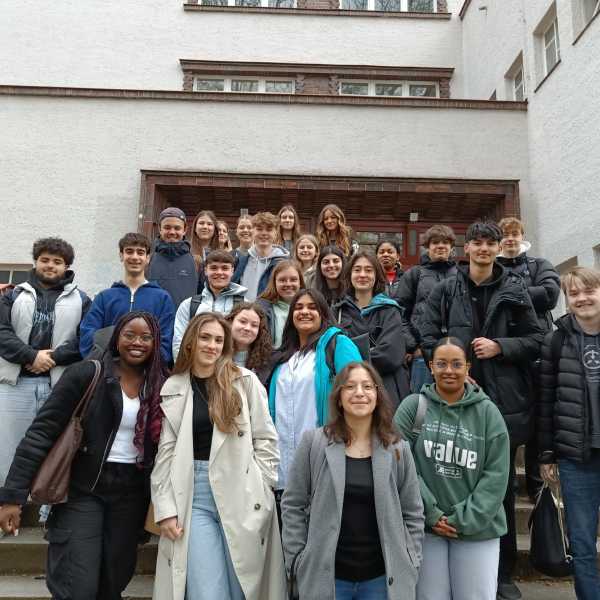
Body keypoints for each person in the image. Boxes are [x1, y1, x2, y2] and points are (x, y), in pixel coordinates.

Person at [0, 311, 170, 600]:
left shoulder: (162, 384)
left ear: (156, 343)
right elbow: (41, 433)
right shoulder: (86, 373)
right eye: (129, 335)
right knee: (75, 582)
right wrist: (12, 496)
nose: (137, 342)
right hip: (83, 487)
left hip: (131, 493)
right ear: (117, 338)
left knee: (113, 577)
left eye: (146, 337)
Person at [420, 220, 543, 600]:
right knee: (451, 473)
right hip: (455, 396)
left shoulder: (515, 288)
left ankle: (502, 574)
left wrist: (501, 347)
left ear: (497, 248)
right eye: (478, 243)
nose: (485, 249)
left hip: (504, 399)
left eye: (491, 243)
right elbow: (427, 335)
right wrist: (452, 369)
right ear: (467, 248)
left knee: (500, 485)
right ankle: (453, 557)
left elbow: (537, 338)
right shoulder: (444, 289)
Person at [151, 312, 285, 600]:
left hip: (242, 490)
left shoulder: (244, 381)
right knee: (207, 592)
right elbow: (166, 452)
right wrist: (165, 508)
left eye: (219, 340)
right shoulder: (174, 386)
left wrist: (263, 485)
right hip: (192, 496)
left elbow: (266, 440)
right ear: (190, 342)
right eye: (205, 338)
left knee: (244, 588)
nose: (212, 345)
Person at [282, 361, 425, 600]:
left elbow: (413, 512)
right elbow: (292, 504)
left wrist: (412, 559)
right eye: (350, 387)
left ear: (378, 396)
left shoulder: (398, 449)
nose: (359, 393)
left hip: (381, 579)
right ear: (338, 398)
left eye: (368, 387)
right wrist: (298, 558)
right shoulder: (314, 443)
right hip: (327, 578)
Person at [394, 336, 510, 600]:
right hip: (425, 528)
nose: (449, 370)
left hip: (478, 530)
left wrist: (464, 519)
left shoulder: (487, 413)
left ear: (468, 367)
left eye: (457, 364)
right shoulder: (415, 407)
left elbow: (496, 474)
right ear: (431, 366)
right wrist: (430, 514)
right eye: (442, 364)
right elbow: (401, 464)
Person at [0, 237, 91, 495]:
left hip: (59, 384)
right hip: (15, 384)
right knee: (7, 448)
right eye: (45, 260)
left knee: (57, 446)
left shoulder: (81, 299)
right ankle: (7, 508)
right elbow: (2, 334)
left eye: (57, 262)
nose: (50, 266)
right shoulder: (12, 296)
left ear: (66, 266)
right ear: (36, 262)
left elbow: (85, 339)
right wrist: (31, 356)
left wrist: (51, 358)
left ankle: (47, 510)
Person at [261, 289, 362, 515]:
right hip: (282, 468)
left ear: (322, 313)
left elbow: (360, 398)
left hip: (324, 459)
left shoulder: (338, 344)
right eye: (298, 307)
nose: (304, 312)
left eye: (311, 307)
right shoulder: (283, 355)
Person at [538, 266, 600, 600]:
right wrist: (546, 453)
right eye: (573, 293)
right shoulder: (556, 338)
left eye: (588, 290)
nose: (581, 298)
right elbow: (547, 399)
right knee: (581, 541)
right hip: (577, 457)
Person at [497, 217, 560, 501]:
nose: (510, 239)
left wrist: (511, 294)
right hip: (506, 353)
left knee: (538, 419)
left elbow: (550, 295)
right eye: (505, 235)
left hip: (538, 351)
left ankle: (536, 483)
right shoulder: (494, 267)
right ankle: (507, 484)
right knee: (506, 420)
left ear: (522, 237)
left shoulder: (540, 265)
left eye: (515, 234)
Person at [332, 251, 410, 411]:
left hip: (386, 386)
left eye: (368, 270)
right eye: (357, 270)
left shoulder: (390, 310)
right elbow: (331, 352)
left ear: (377, 275)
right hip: (349, 389)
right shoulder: (336, 312)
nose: (362, 275)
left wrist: (348, 353)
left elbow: (390, 355)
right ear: (349, 274)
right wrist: (369, 350)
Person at [79, 233, 175, 362]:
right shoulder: (104, 297)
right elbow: (88, 334)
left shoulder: (162, 298)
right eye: (129, 251)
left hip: (147, 374)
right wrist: (106, 363)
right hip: (107, 371)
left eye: (140, 252)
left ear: (147, 258)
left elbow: (165, 341)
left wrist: (148, 366)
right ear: (121, 256)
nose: (135, 257)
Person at [395, 225, 457, 395]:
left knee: (454, 404)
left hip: (456, 353)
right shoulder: (414, 274)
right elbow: (399, 314)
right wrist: (414, 347)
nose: (441, 246)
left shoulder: (461, 275)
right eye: (435, 242)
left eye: (446, 242)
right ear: (427, 247)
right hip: (422, 354)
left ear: (452, 247)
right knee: (422, 407)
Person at [172, 249, 247, 361]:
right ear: (206, 271)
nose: (219, 272)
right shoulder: (189, 305)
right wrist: (185, 371)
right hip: (196, 372)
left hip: (231, 372)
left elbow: (248, 343)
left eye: (225, 268)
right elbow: (179, 341)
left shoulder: (244, 306)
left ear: (232, 271)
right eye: (214, 268)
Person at [146, 207, 200, 311]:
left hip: (185, 324)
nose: (172, 232)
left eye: (177, 228)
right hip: (152, 324)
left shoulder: (197, 261)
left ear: (185, 230)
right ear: (159, 229)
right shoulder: (148, 260)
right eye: (167, 227)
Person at [231, 212, 290, 302]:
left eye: (269, 230)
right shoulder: (240, 261)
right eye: (259, 229)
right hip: (242, 312)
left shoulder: (282, 264)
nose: (264, 233)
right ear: (253, 232)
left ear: (275, 234)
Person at [257, 260, 305, 348]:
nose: (288, 284)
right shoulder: (262, 310)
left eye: (293, 279)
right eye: (282, 280)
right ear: (274, 283)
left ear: (300, 282)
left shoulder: (311, 309)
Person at [226, 302, 273, 371]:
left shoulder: (269, 360)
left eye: (254, 325)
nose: (247, 328)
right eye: (242, 321)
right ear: (230, 322)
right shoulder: (216, 353)